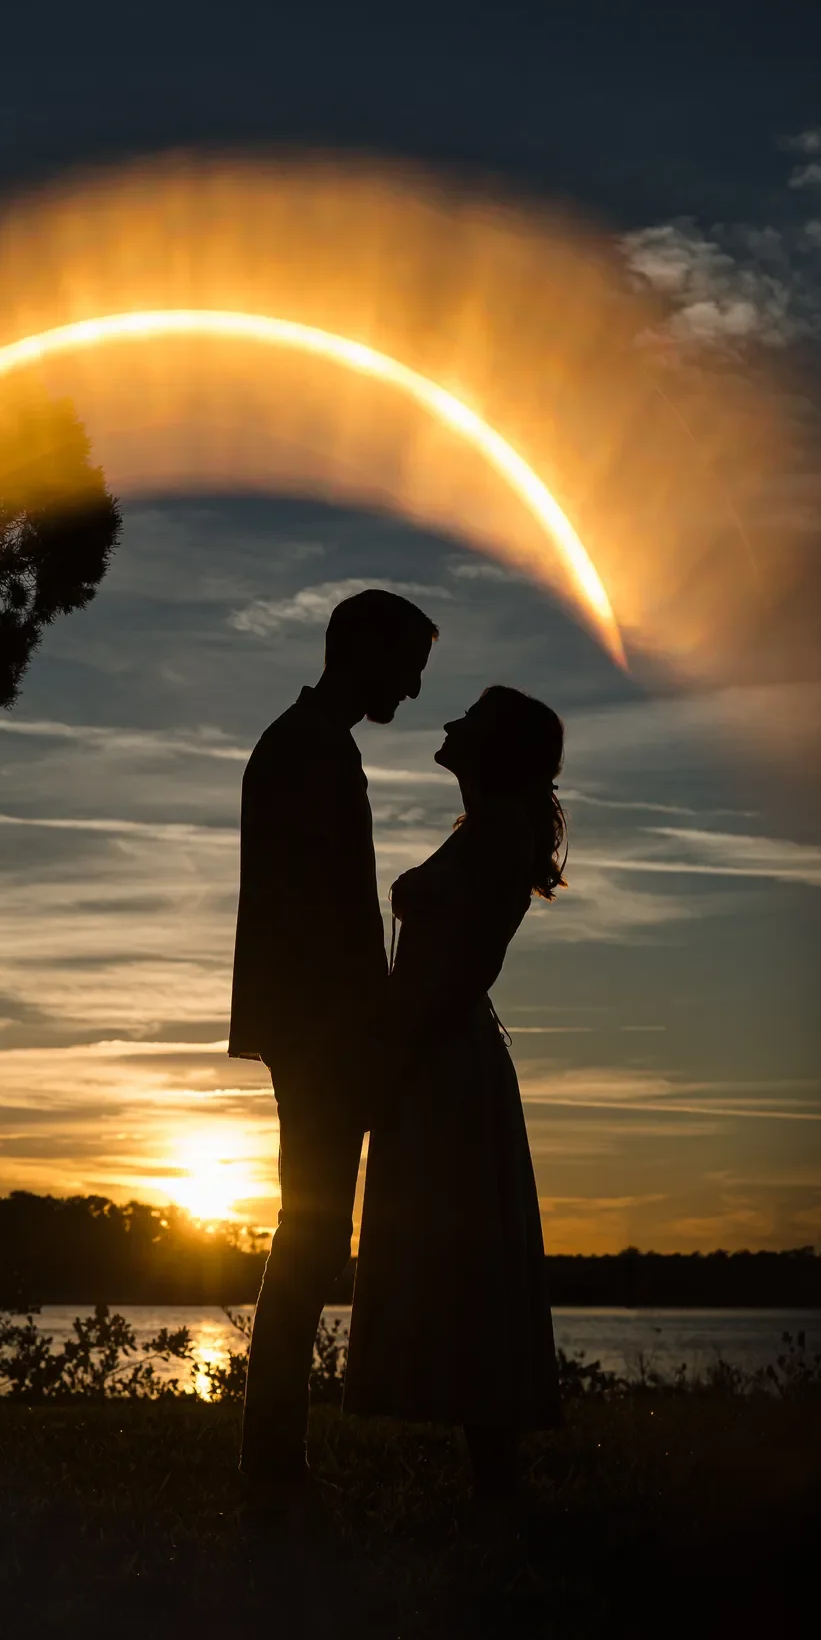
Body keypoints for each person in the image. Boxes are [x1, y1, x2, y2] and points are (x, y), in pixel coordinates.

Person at [229, 587, 438, 1497]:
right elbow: (323, 917)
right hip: (320, 1030)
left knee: (311, 1233)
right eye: (410, 670)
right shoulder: (308, 749)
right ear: (368, 655)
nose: (417, 692)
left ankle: (277, 1453)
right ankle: (274, 1458)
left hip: (314, 1025)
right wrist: (366, 1031)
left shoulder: (309, 743)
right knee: (310, 1234)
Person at [343, 685, 565, 1500]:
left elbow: (454, 971)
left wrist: (391, 1061)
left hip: (444, 1058)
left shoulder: (498, 835)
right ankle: (492, 1482)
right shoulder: (482, 831)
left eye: (467, 718)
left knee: (467, 1249)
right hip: (438, 1050)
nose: (446, 723)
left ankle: (498, 1483)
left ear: (496, 747)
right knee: (458, 1251)